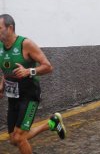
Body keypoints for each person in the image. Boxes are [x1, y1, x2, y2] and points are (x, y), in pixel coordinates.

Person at [0, 14, 67, 154]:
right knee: (13, 139)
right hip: (14, 97)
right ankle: (52, 124)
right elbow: (6, 70)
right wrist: (2, 86)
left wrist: (28, 71)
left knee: (19, 137)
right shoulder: (0, 47)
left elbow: (48, 66)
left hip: (29, 95)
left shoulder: (25, 44)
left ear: (10, 28)